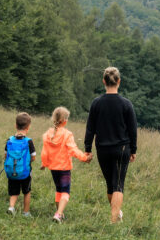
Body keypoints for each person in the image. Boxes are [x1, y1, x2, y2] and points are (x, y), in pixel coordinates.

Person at [84, 66, 138, 224]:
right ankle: (114, 220)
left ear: (104, 81)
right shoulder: (126, 104)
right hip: (122, 149)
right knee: (118, 185)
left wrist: (88, 149)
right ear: (119, 81)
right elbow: (132, 129)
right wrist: (133, 149)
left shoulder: (96, 103)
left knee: (110, 185)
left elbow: (90, 128)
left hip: (103, 150)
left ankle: (116, 215)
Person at [40, 106, 90, 222]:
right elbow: (73, 150)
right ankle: (58, 214)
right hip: (64, 168)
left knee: (58, 190)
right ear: (65, 120)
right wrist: (84, 158)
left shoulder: (48, 134)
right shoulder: (67, 134)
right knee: (65, 192)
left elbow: (44, 152)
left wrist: (44, 163)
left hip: (53, 168)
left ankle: (59, 213)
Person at [4, 112, 37, 217]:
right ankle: (26, 212)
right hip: (25, 172)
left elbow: (6, 156)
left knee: (14, 192)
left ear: (15, 125)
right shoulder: (29, 141)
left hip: (12, 172)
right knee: (26, 192)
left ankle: (11, 207)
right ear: (28, 127)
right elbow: (33, 157)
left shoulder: (9, 140)